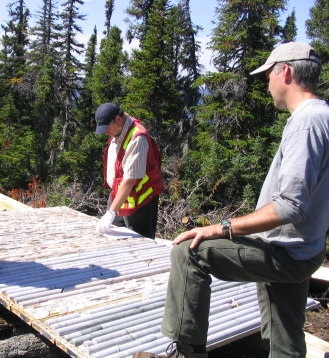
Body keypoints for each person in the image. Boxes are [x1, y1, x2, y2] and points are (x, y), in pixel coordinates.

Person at [134, 41, 329, 358]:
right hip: (304, 248)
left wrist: (220, 228)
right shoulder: (324, 116)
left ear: (287, 72)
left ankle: (185, 353)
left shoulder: (305, 122)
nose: (267, 83)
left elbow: (291, 204)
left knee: (189, 251)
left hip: (284, 249)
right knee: (286, 340)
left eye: (269, 75)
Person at [94, 103, 164, 239]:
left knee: (140, 241)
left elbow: (130, 180)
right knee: (112, 235)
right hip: (120, 193)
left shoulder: (137, 138)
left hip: (140, 200)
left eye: (107, 127)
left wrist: (111, 212)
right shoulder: (119, 130)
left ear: (118, 119)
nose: (105, 132)